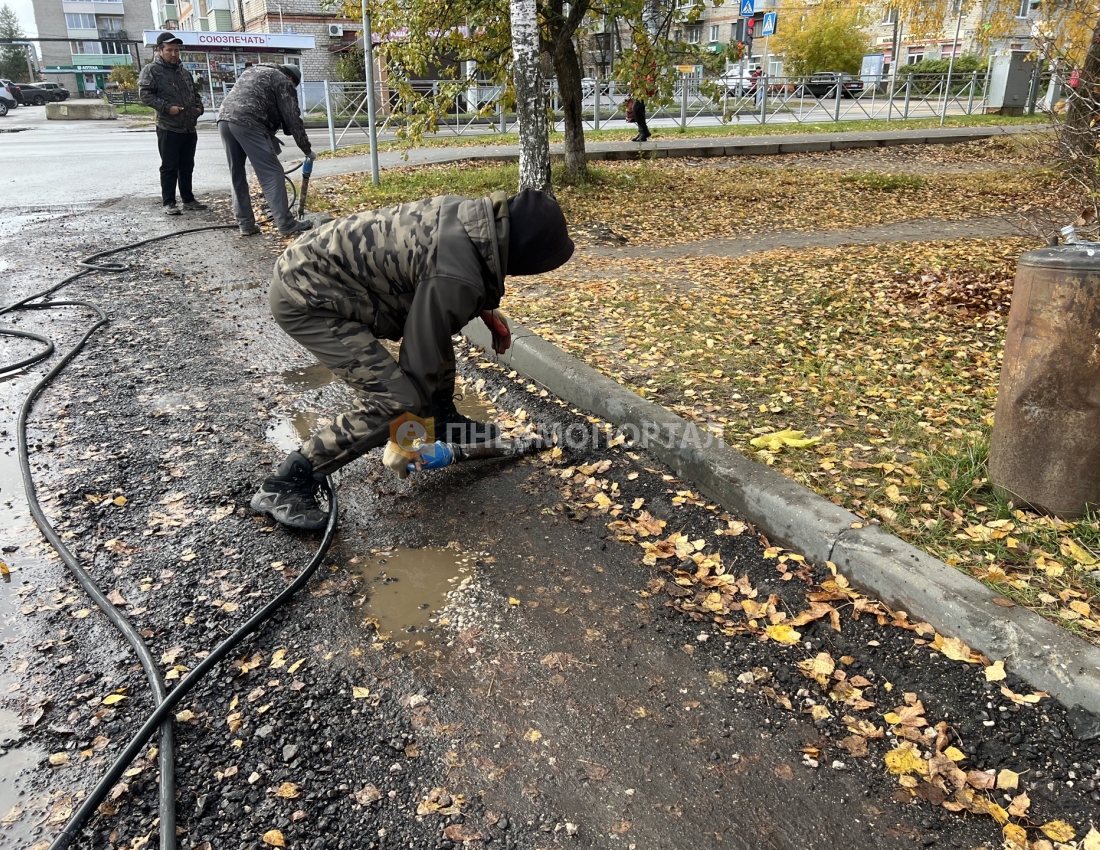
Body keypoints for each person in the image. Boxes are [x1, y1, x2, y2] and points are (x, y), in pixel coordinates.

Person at [250, 188, 575, 530]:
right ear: (523, 257)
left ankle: (443, 420)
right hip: (306, 297)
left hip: (316, 266)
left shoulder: (471, 218)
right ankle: (287, 482)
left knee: (433, 342)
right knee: (396, 400)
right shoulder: (455, 276)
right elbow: (419, 361)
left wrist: (485, 309)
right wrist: (407, 439)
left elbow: (434, 272)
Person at [217, 63, 314, 237]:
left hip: (224, 119)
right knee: (272, 173)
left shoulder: (255, 71)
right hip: (248, 121)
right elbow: (292, 118)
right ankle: (286, 224)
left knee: (236, 173)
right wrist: (306, 149)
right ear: (291, 79)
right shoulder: (283, 80)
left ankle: (245, 224)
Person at [138, 32, 208, 217]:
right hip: (168, 127)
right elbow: (145, 95)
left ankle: (188, 199)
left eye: (176, 50)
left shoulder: (184, 72)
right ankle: (169, 202)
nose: (174, 54)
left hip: (188, 127)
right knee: (169, 166)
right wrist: (168, 108)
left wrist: (199, 108)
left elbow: (195, 94)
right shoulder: (152, 70)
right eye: (169, 50)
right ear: (160, 51)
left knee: (187, 165)